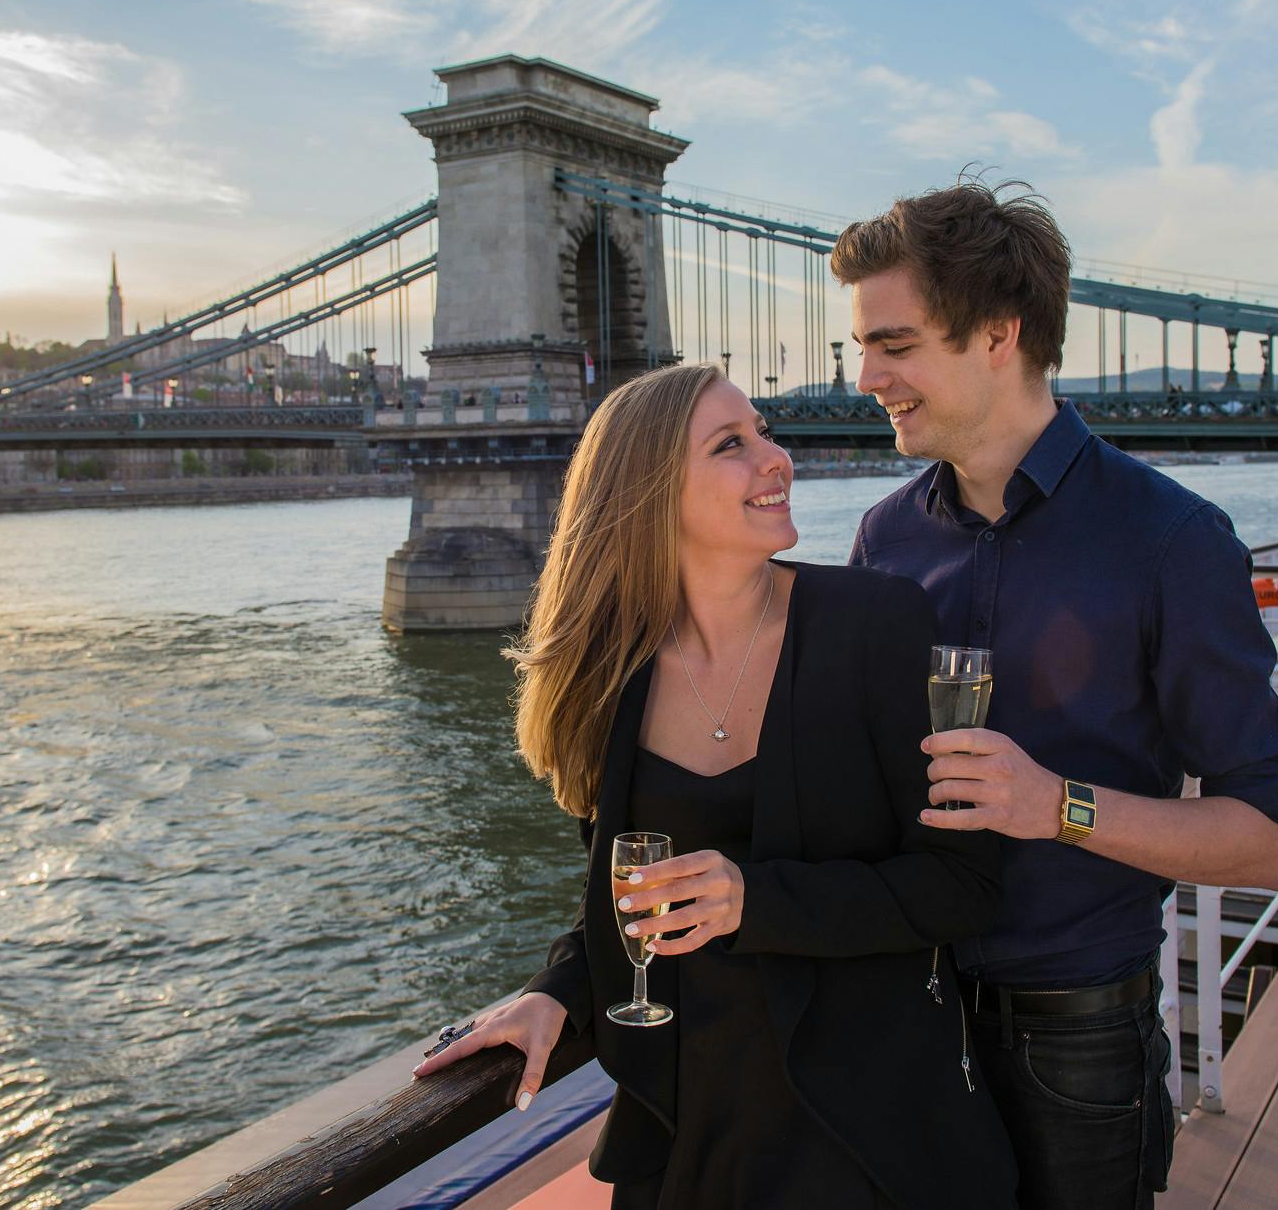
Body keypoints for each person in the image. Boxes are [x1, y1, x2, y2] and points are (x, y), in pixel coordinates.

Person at [414, 362, 1018, 1210]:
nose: (776, 458)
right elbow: (623, 898)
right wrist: (557, 993)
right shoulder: (608, 677)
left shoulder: (879, 625)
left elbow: (965, 884)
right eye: (732, 444)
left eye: (764, 432)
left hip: (871, 1136)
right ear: (652, 490)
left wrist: (754, 900)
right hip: (688, 1134)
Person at [833, 183, 1278, 1210]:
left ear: (999, 333)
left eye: (895, 344)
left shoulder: (1170, 540)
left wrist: (1057, 805)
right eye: (864, 346)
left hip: (1076, 1029)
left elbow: (1272, 839)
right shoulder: (882, 539)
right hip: (902, 1008)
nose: (865, 376)